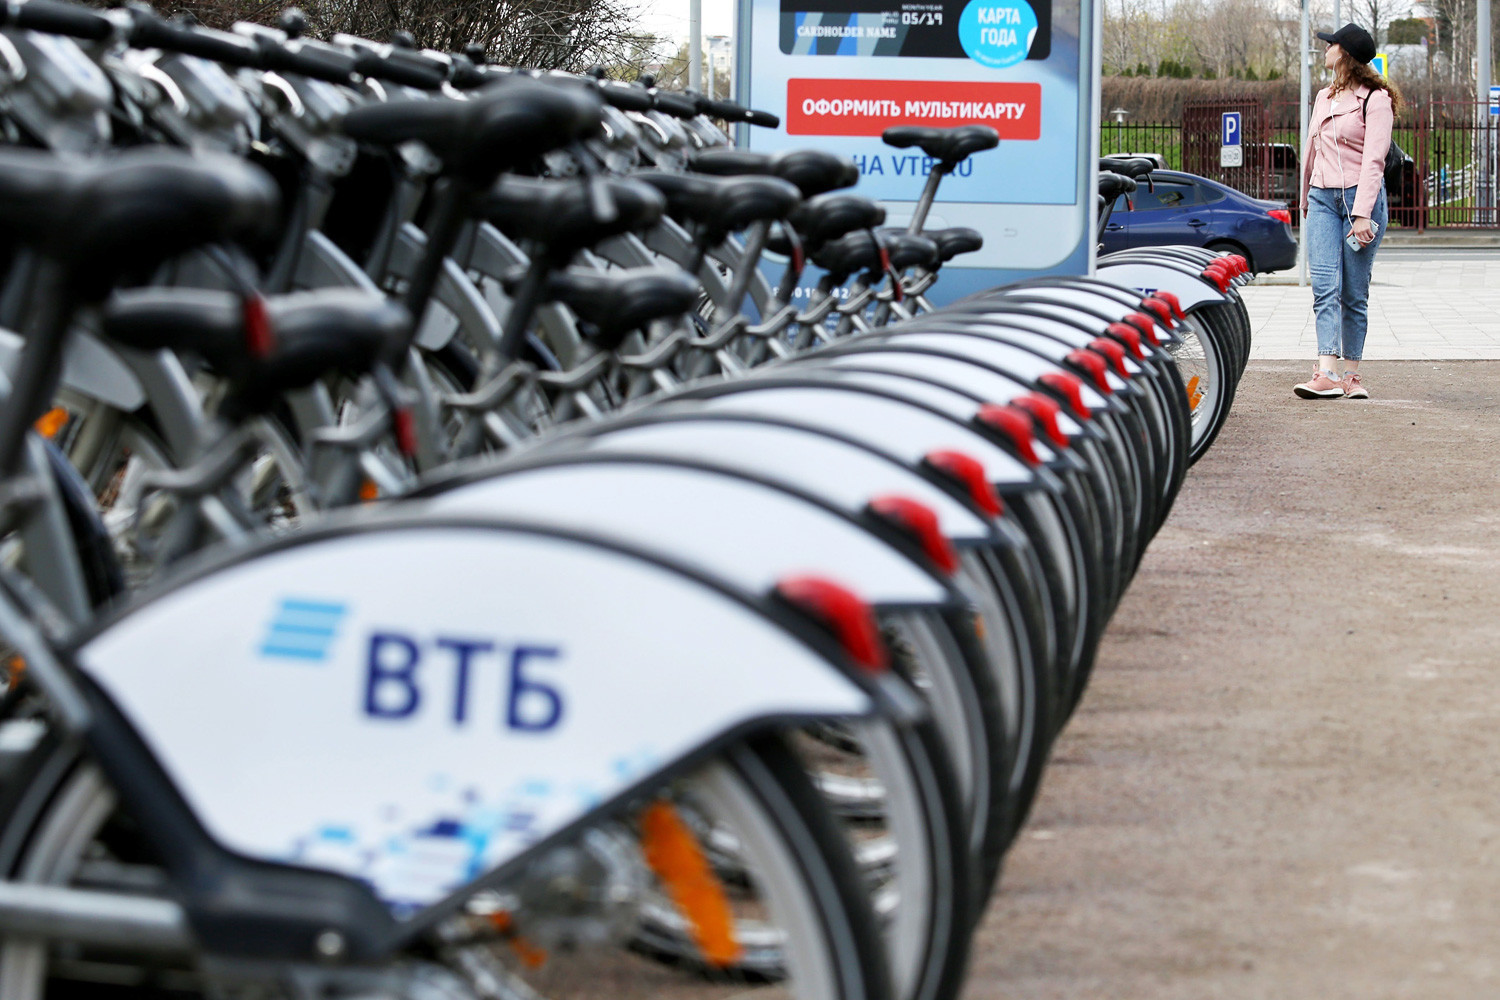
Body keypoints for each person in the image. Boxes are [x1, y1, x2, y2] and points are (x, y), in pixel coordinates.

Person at [1293, 22, 1399, 401]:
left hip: (1361, 199)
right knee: (1325, 287)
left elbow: (1374, 161)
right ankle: (1326, 373)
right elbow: (1310, 149)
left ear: (1347, 54)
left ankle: (1351, 376)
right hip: (1322, 198)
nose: (1325, 49)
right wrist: (1305, 196)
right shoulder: (1324, 96)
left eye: (1331, 44)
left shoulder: (1376, 99)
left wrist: (1361, 213)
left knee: (1354, 292)